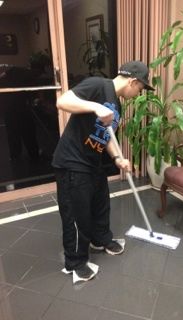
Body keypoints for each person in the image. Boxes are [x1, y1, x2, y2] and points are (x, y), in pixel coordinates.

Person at [52, 60, 154, 282]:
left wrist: (117, 157)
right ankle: (76, 261)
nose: (138, 94)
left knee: (100, 204)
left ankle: (101, 239)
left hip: (92, 162)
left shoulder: (116, 102)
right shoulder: (98, 85)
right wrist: (95, 106)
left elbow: (105, 134)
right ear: (132, 81)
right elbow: (63, 101)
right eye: (140, 88)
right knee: (77, 214)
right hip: (72, 162)